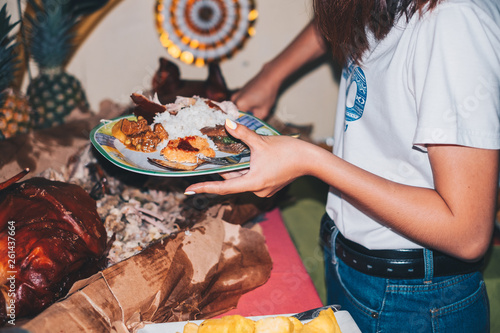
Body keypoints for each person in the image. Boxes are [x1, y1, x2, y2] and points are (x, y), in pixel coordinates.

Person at [184, 0, 500, 331]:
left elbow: (467, 233)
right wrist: (272, 74)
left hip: (413, 303)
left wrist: (311, 160)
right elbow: (346, 13)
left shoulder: (456, 21)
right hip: (349, 263)